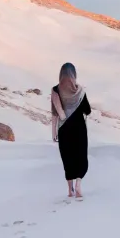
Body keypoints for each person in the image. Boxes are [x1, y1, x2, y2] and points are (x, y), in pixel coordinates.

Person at [50, 61, 92, 200]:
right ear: (74, 75)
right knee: (80, 157)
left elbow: (54, 113)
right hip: (79, 128)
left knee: (67, 158)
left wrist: (54, 133)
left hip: (64, 129)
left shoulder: (55, 90)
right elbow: (88, 110)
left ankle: (70, 189)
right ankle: (79, 184)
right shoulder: (80, 91)